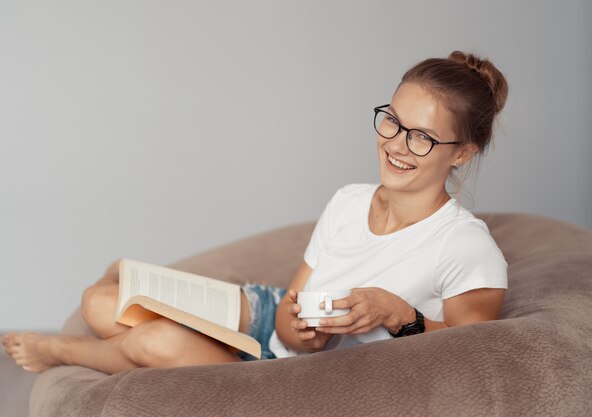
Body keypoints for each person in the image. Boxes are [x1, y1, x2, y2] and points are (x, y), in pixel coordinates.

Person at [3, 50, 509, 373]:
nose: (396, 145)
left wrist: (401, 315)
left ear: (462, 152)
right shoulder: (349, 200)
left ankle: (65, 352)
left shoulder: (465, 245)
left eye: (421, 137)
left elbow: (474, 356)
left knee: (155, 339)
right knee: (99, 302)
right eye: (392, 122)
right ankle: (137, 327)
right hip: (270, 323)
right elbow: (293, 302)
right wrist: (297, 330)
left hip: (293, 374)